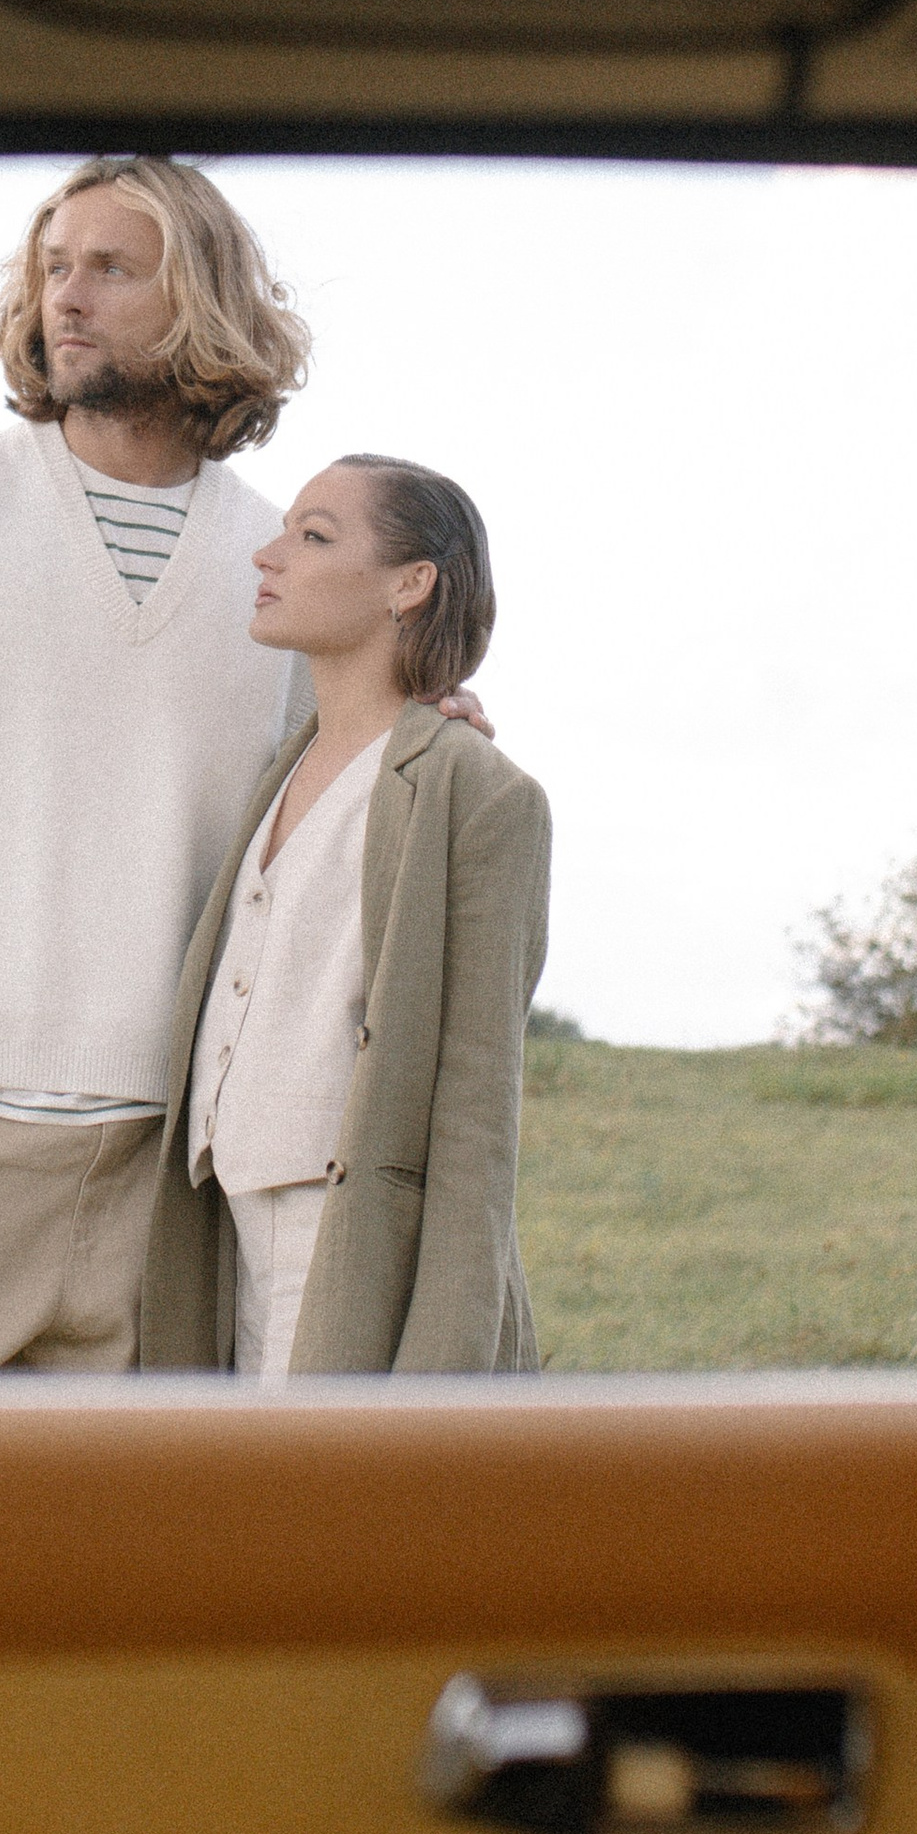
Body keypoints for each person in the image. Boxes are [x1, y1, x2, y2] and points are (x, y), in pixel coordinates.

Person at [0, 156, 482, 1376]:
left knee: (131, 1506)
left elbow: (318, 824)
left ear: (201, 295)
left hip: (175, 1164)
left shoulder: (280, 569)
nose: (66, 296)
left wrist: (426, 728)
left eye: (111, 268)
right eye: (54, 267)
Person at [140, 456, 549, 1377]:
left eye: (314, 536)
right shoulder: (273, 771)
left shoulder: (480, 792)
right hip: (223, 1233)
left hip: (354, 1245)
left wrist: (446, 1356)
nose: (269, 554)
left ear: (410, 584)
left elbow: (477, 1110)